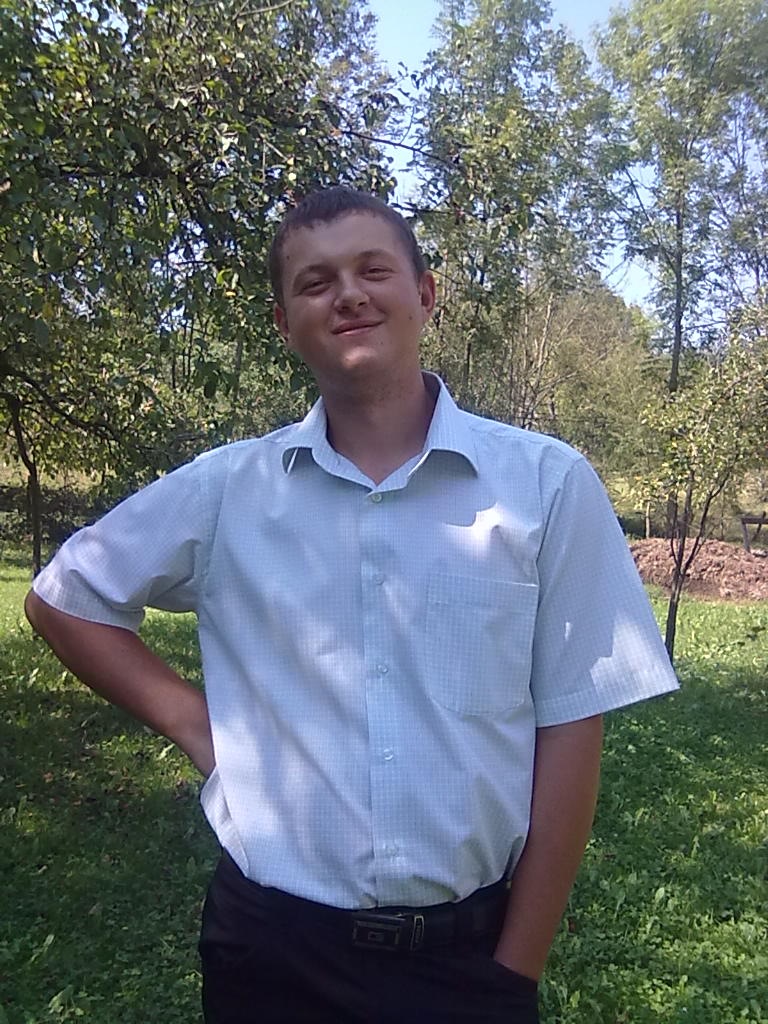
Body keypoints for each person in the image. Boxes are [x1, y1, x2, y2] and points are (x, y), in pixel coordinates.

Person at [25, 186, 679, 1023]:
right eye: (316, 282)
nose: (348, 295)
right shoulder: (230, 490)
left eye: (374, 270)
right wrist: (197, 727)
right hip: (270, 954)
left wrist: (514, 973)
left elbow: (572, 730)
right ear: (283, 323)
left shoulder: (546, 487)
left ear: (426, 294)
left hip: (467, 961)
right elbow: (65, 596)